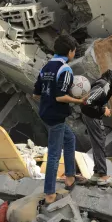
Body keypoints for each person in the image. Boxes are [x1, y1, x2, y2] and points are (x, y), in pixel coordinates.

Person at [32, 34, 86, 204]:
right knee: (54, 154)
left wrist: (48, 99)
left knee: (69, 139)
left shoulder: (46, 67)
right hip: (56, 117)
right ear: (70, 52)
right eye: (74, 51)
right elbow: (60, 97)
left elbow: (35, 95)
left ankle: (70, 177)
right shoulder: (65, 70)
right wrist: (79, 100)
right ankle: (49, 194)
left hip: (45, 113)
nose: (74, 54)